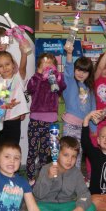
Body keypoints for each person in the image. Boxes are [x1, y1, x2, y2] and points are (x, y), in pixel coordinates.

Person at [32, 136, 97, 211]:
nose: (69, 160)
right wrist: (48, 178)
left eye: (73, 156)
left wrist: (80, 207)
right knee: (36, 209)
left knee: (91, 207)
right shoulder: (46, 169)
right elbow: (38, 194)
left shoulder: (76, 173)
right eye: (66, 155)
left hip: (66, 206)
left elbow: (84, 193)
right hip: (46, 204)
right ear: (57, 154)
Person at [26, 52, 66, 183]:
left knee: (45, 151)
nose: (47, 65)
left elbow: (62, 87)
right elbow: (30, 88)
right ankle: (30, 177)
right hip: (35, 120)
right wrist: (39, 74)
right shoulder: (36, 78)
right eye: (44, 62)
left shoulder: (56, 78)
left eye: (50, 63)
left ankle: (42, 176)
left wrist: (57, 76)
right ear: (38, 66)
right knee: (32, 151)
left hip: (51, 121)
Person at [61, 50, 95, 170]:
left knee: (78, 153)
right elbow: (68, 70)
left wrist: (93, 128)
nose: (81, 73)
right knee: (67, 153)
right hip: (70, 125)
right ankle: (65, 175)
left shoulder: (90, 88)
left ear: (89, 74)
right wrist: (69, 53)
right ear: (74, 70)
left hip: (83, 127)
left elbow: (93, 109)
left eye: (85, 71)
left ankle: (76, 176)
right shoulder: (70, 82)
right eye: (79, 70)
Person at [0, 49, 29, 146]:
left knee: (12, 148)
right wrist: (6, 105)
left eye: (7, 64)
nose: (5, 68)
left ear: (13, 65)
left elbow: (23, 68)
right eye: (0, 66)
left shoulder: (18, 79)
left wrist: (24, 53)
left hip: (14, 122)